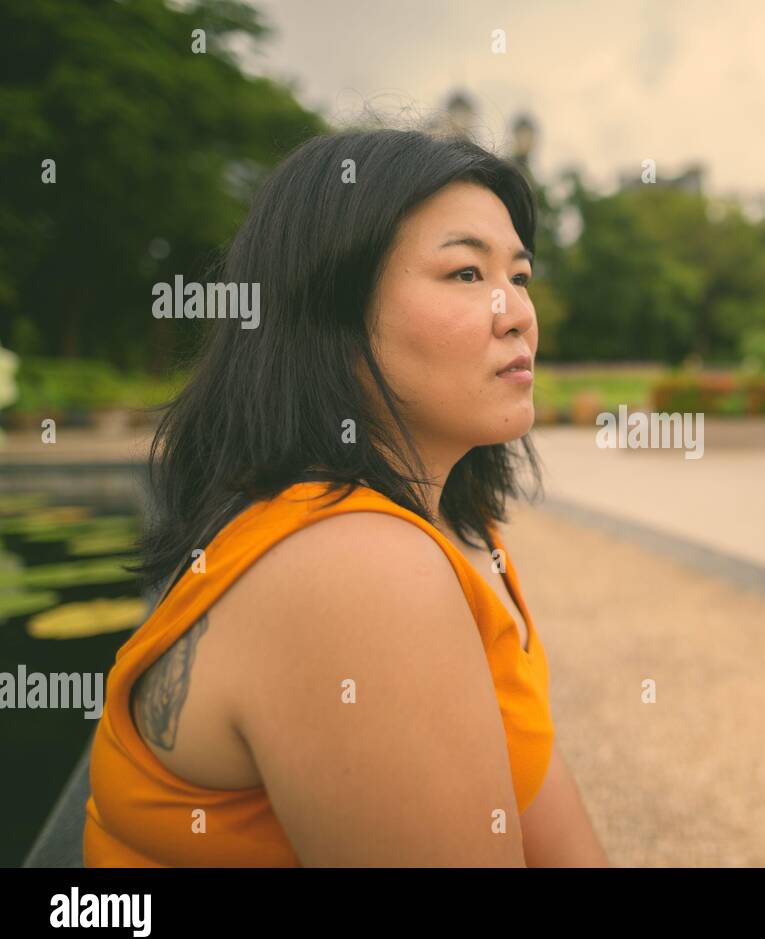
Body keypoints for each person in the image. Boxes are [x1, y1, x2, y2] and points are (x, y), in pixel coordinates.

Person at [83, 129, 609, 867]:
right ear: (327, 310)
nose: (517, 312)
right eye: (464, 273)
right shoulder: (355, 565)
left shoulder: (459, 529)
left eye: (518, 277)